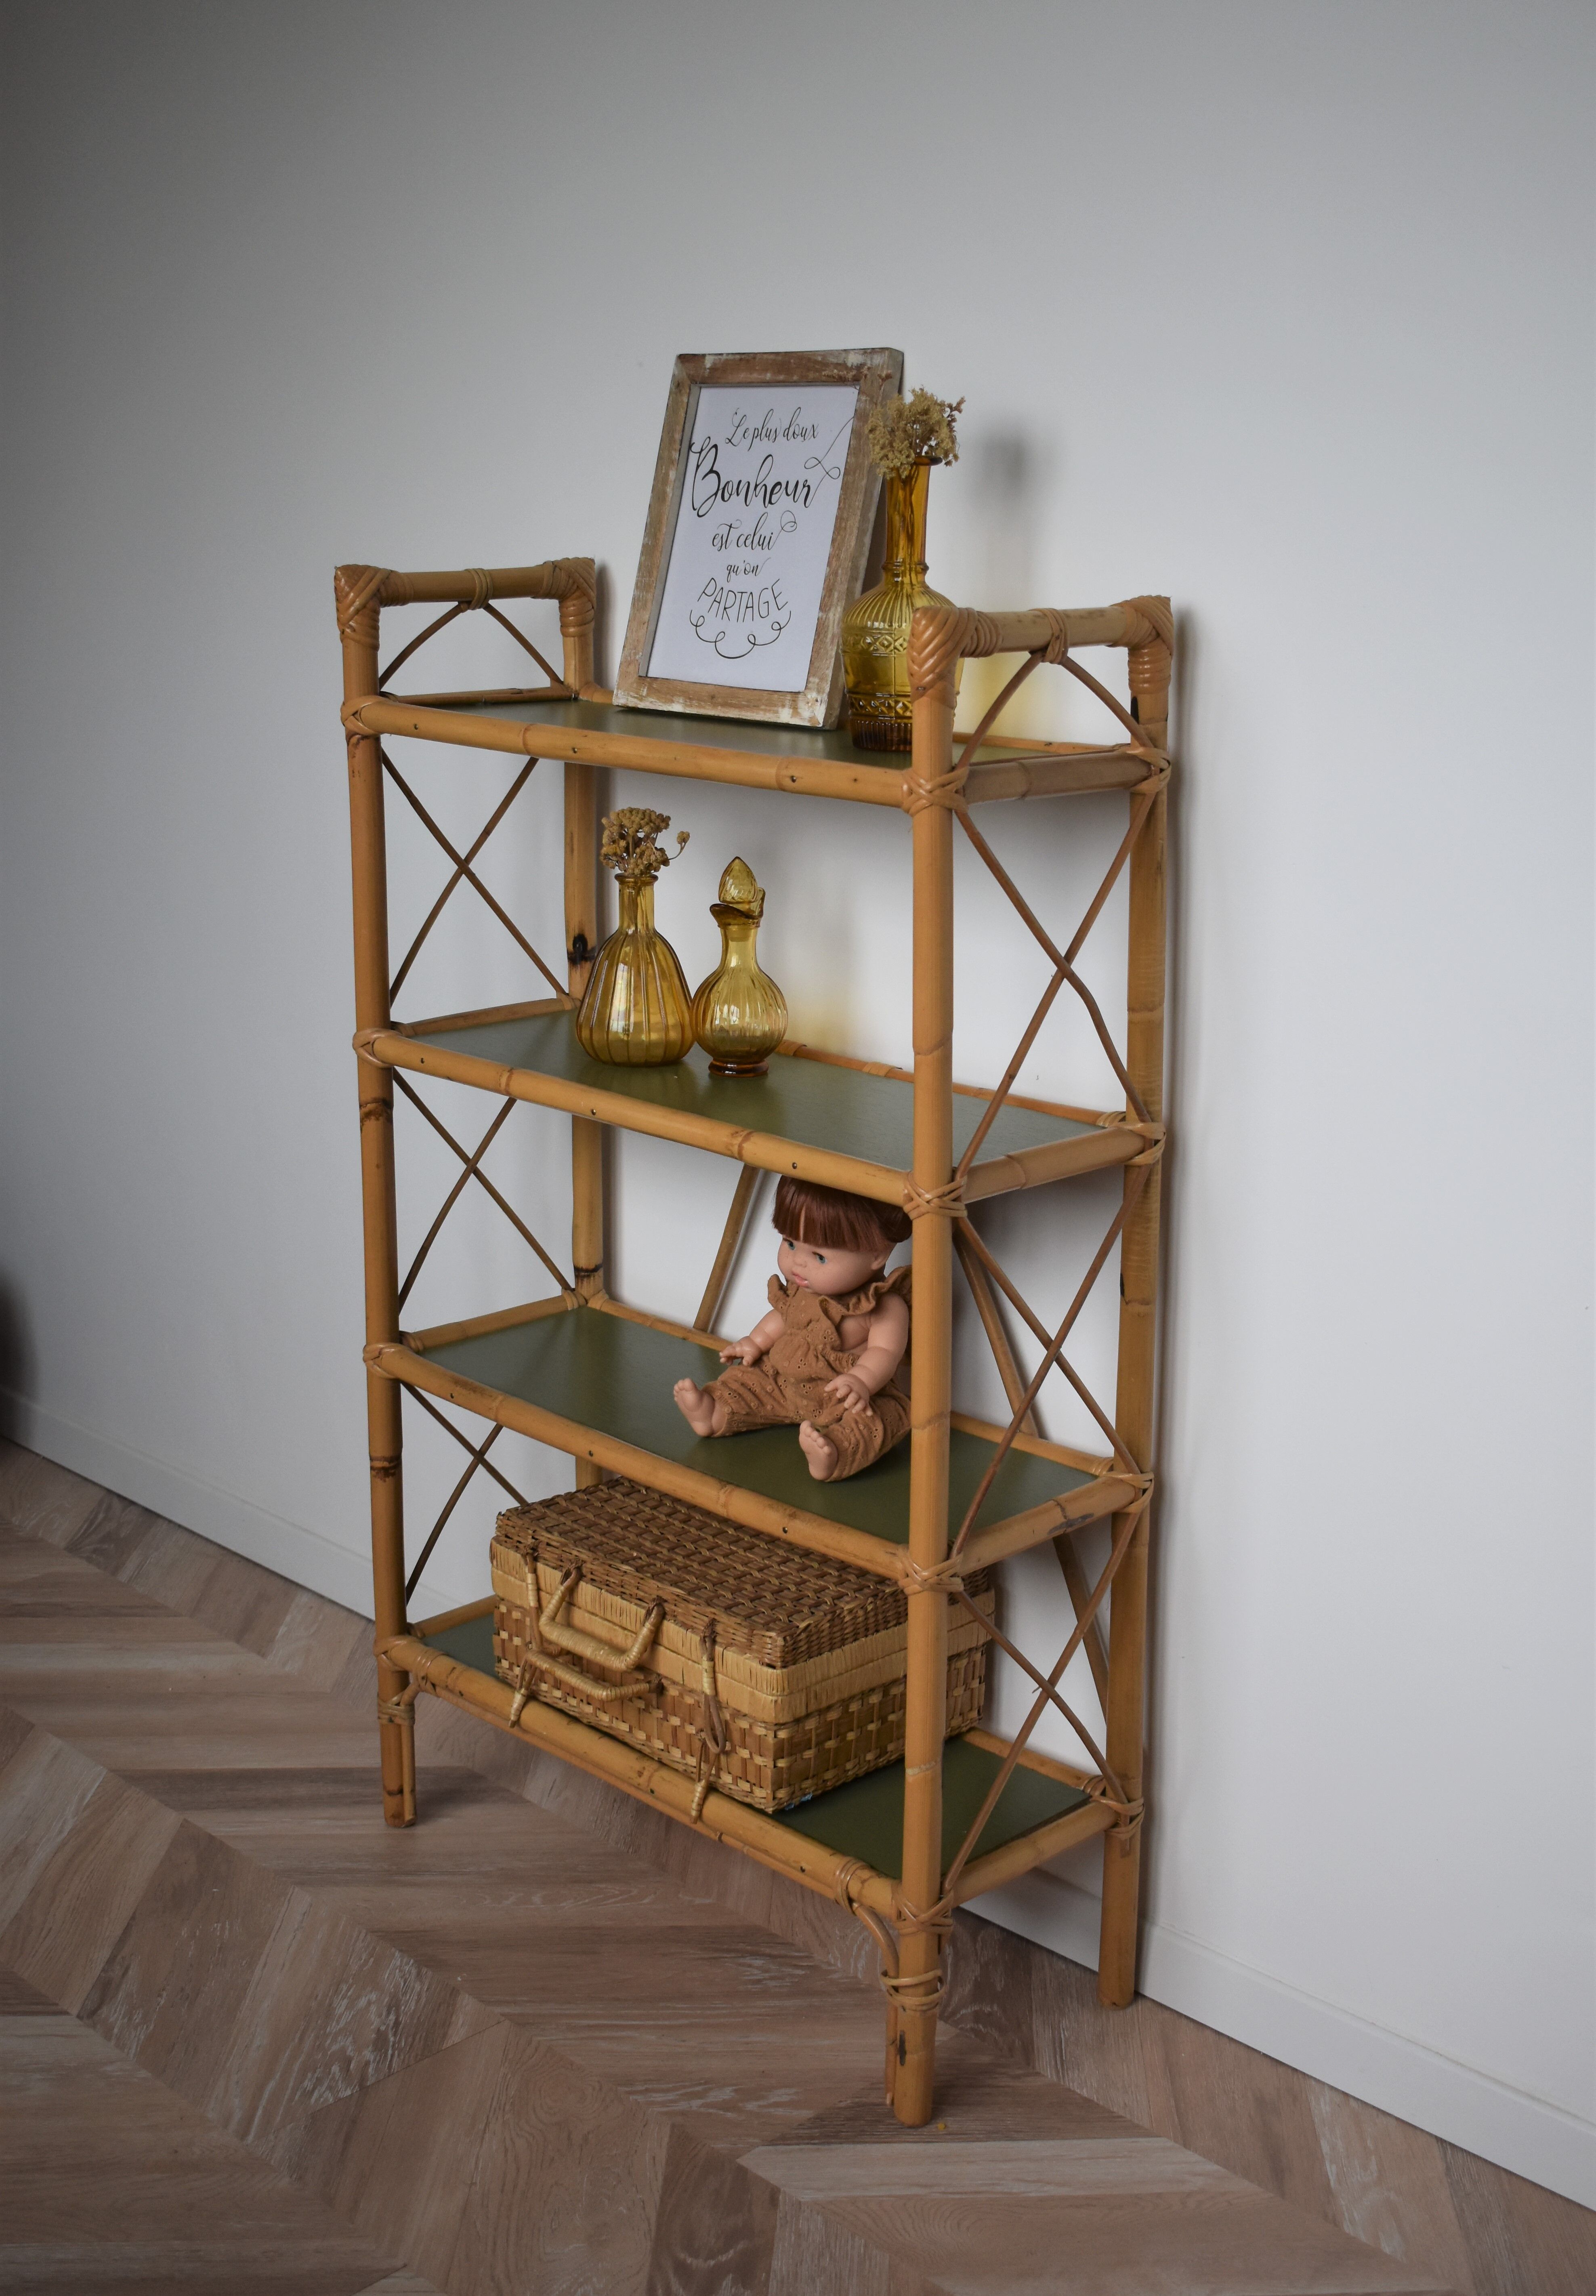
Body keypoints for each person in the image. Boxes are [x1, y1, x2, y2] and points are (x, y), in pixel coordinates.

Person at [673, 1176, 912, 1481]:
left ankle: (834, 1452)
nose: (797, 1263)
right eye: (790, 1243)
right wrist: (754, 1342)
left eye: (820, 1256)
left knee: (880, 1420)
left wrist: (861, 1381)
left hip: (846, 1398)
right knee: (751, 1378)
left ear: (878, 1254)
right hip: (785, 1382)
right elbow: (782, 1318)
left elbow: (886, 1351)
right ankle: (715, 1410)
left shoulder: (884, 1305)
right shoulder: (803, 1290)